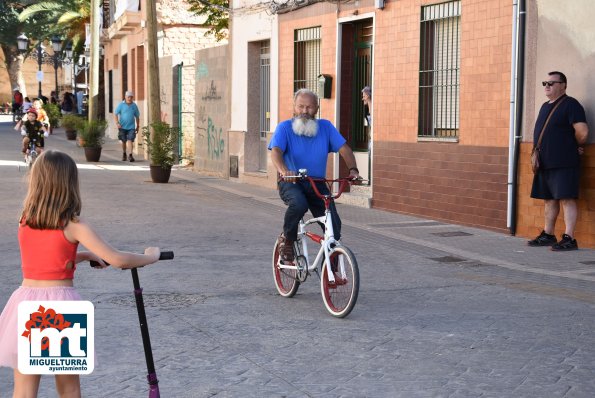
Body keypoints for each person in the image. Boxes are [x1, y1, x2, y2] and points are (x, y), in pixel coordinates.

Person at [0, 150, 161, 397]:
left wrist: (83, 256)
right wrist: (151, 256)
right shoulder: (73, 224)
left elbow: (45, 262)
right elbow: (117, 259)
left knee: (23, 390)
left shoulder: (26, 219)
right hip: (59, 308)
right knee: (68, 388)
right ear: (69, 182)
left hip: (26, 302)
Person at [268, 88, 360, 264]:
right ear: (294, 107)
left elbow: (344, 149)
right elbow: (276, 151)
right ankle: (288, 239)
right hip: (291, 182)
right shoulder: (284, 128)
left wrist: (353, 170)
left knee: (333, 224)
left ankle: (331, 264)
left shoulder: (325, 127)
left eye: (309, 107)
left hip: (317, 183)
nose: (304, 111)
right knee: (299, 204)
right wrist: (284, 170)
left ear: (317, 108)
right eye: (301, 106)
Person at [527, 71, 589, 251]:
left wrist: (571, 146)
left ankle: (570, 238)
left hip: (564, 162)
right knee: (549, 200)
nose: (547, 85)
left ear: (563, 85)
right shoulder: (545, 106)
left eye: (552, 83)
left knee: (567, 199)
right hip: (545, 163)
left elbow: (583, 132)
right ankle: (548, 234)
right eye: (545, 82)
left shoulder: (571, 105)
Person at [114, 91, 140, 162]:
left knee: (130, 140)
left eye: (131, 97)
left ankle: (130, 155)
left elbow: (137, 116)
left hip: (131, 127)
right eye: (128, 97)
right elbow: (115, 114)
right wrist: (117, 123)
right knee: (124, 141)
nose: (129, 98)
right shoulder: (121, 105)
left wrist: (138, 126)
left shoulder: (134, 106)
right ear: (125, 97)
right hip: (122, 127)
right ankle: (124, 153)